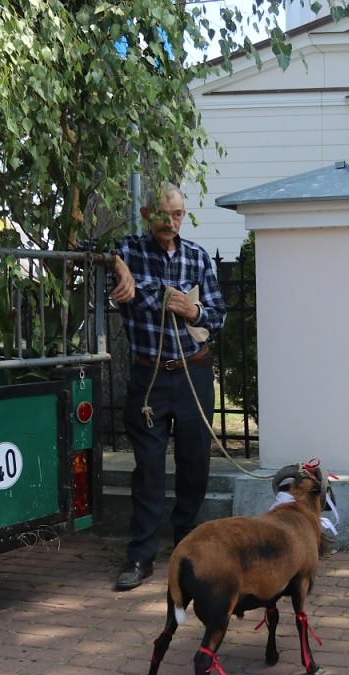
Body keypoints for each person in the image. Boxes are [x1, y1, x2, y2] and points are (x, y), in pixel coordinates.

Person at [109, 184, 226, 591]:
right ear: (147, 214)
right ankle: (140, 556)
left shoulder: (197, 256)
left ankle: (186, 549)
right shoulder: (128, 250)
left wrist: (194, 311)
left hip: (194, 371)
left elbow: (219, 314)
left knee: (195, 465)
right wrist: (118, 265)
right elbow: (96, 253)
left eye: (177, 214)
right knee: (149, 469)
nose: (171, 222)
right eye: (163, 214)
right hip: (150, 377)